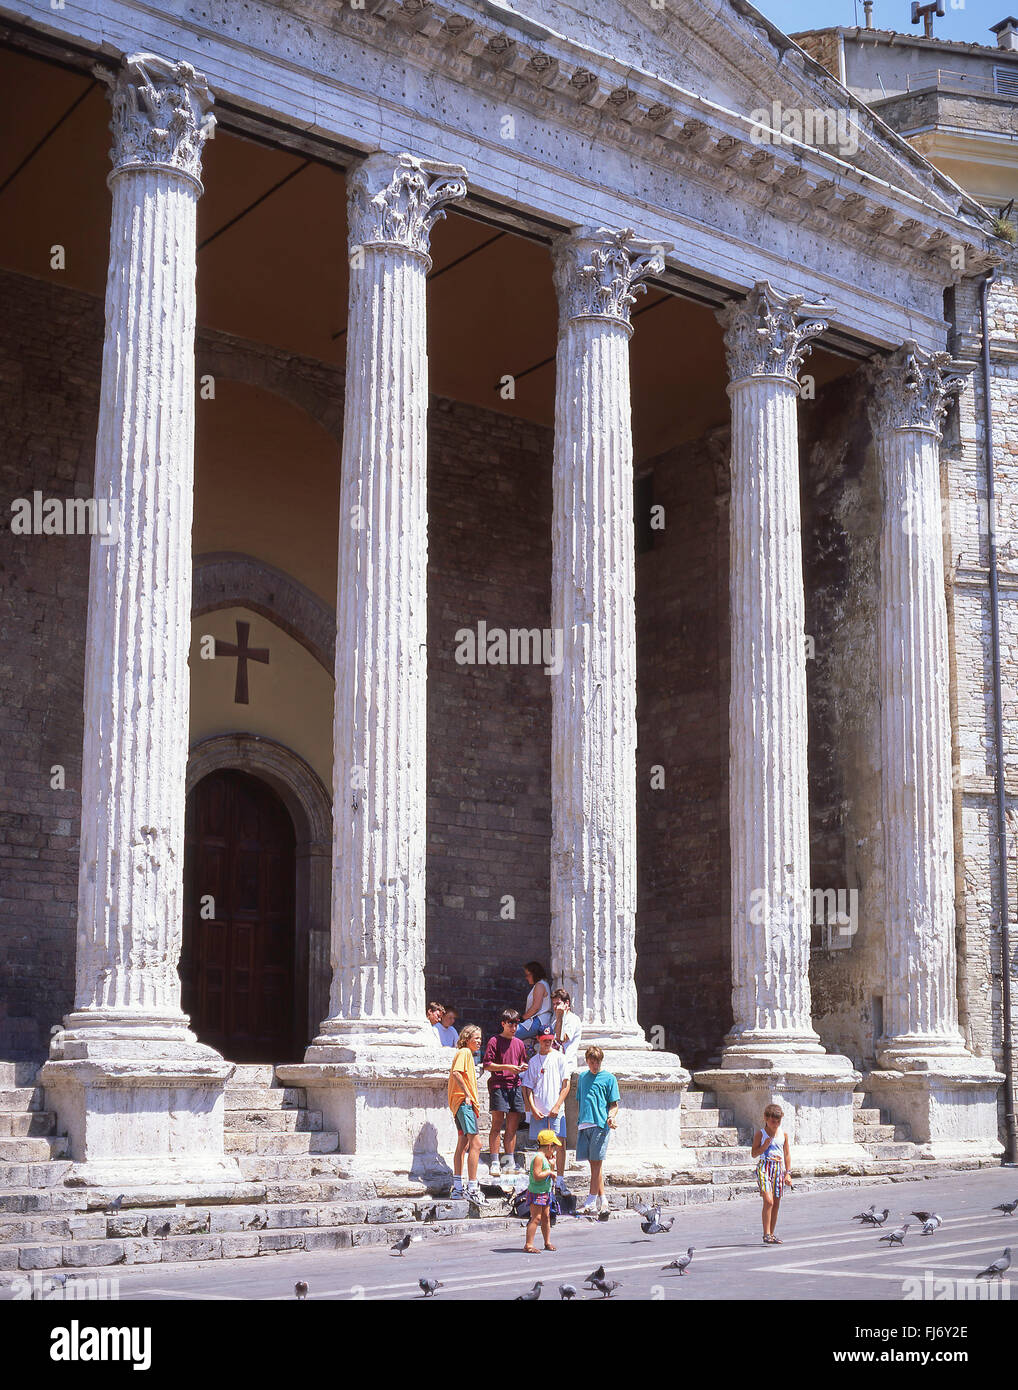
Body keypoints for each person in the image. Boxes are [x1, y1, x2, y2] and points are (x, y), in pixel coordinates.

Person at [521, 1028, 571, 1194]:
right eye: (544, 1039)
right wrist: (532, 1108)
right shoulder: (534, 1061)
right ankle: (543, 1181)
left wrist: (557, 1105)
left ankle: (560, 1181)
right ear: (538, 1039)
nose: (547, 1042)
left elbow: (566, 1085)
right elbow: (527, 1088)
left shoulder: (560, 1058)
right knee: (542, 1147)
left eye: (550, 1039)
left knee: (560, 1144)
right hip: (539, 1111)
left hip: (556, 1110)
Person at [483, 1008, 528, 1179]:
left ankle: (509, 1163)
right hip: (498, 1086)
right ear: (503, 1023)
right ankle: (495, 1161)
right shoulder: (494, 1041)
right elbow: (487, 1065)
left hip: (515, 1086)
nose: (514, 1027)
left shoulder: (519, 1043)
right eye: (511, 1024)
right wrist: (507, 1067)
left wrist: (522, 1067)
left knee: (512, 1127)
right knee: (497, 1124)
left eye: (516, 1024)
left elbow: (523, 1062)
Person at [575, 1045, 620, 1214]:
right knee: (595, 1166)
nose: (595, 1065)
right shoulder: (582, 1078)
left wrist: (611, 1117)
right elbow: (580, 1100)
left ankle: (591, 1201)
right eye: (592, 1062)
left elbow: (614, 1105)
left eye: (597, 1062)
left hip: (600, 1125)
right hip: (584, 1125)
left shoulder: (609, 1079)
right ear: (587, 1061)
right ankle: (603, 1201)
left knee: (596, 1165)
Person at [447, 1024, 485, 1203]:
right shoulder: (465, 1053)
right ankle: (472, 1187)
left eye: (480, 1038)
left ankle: (458, 1187)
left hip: (459, 1103)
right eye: (476, 1038)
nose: (479, 1041)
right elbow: (456, 1073)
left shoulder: (466, 1054)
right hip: (464, 1102)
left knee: (463, 1143)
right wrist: (468, 1095)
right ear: (467, 1038)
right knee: (476, 1143)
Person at [752, 1103, 792, 1244]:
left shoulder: (783, 1135)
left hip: (778, 1168)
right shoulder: (760, 1134)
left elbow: (787, 1154)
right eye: (773, 1121)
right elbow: (754, 1153)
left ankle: (771, 1234)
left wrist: (788, 1173)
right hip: (764, 1167)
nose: (775, 1124)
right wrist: (764, 1146)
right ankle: (766, 1233)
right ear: (766, 1119)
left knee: (776, 1202)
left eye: (778, 1121)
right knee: (768, 1201)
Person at [523, 1129, 560, 1254]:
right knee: (536, 1218)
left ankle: (547, 1242)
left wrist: (552, 1166)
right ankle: (528, 1244)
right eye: (554, 1148)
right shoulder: (538, 1158)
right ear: (549, 1146)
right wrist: (550, 1171)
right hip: (537, 1192)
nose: (554, 1151)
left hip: (545, 1191)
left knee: (546, 1217)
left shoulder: (545, 1158)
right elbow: (537, 1175)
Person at [515, 961, 552, 1045]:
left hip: (539, 1021)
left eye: (528, 975)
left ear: (534, 974)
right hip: (538, 1021)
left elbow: (536, 1007)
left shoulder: (540, 985)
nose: (526, 978)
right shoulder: (542, 984)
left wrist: (522, 1019)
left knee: (510, 1033)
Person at [550, 988, 582, 1071]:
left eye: (558, 1003)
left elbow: (562, 1039)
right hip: (554, 1064)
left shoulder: (573, 1019)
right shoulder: (555, 1022)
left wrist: (559, 1017)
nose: (555, 1007)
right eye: (554, 1004)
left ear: (567, 1003)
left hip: (566, 1064)